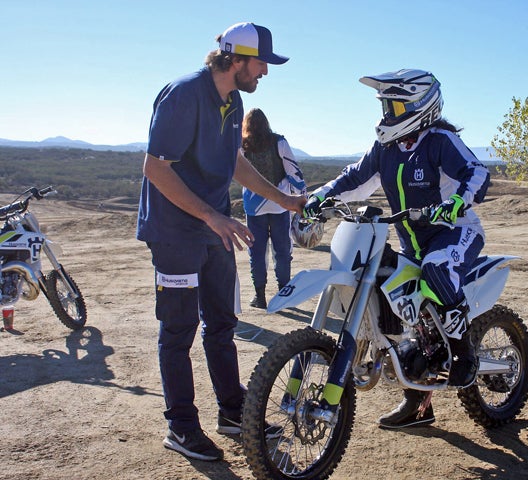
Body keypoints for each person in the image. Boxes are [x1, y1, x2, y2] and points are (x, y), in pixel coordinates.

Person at [136, 22, 304, 462]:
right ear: (237, 59)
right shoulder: (184, 94)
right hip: (175, 233)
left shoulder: (235, 99)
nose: (265, 71)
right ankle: (182, 427)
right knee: (178, 331)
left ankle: (232, 411)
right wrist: (212, 215)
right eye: (261, 62)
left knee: (222, 323)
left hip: (214, 229)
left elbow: (234, 163)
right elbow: (155, 169)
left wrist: (282, 198)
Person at [303, 69, 490, 429]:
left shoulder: (439, 141)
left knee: (436, 269)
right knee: (397, 300)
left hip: (455, 234)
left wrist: (457, 201)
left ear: (421, 106)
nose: (389, 113)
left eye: (397, 105)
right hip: (412, 242)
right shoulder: (386, 149)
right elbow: (354, 178)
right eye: (387, 105)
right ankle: (417, 402)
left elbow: (477, 173)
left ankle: (464, 352)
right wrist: (320, 196)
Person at [241, 108, 307, 309]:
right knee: (282, 251)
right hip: (280, 205)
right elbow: (293, 172)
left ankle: (259, 296)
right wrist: (303, 197)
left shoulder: (242, 145)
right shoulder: (279, 141)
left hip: (253, 206)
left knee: (257, 252)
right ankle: (283, 293)